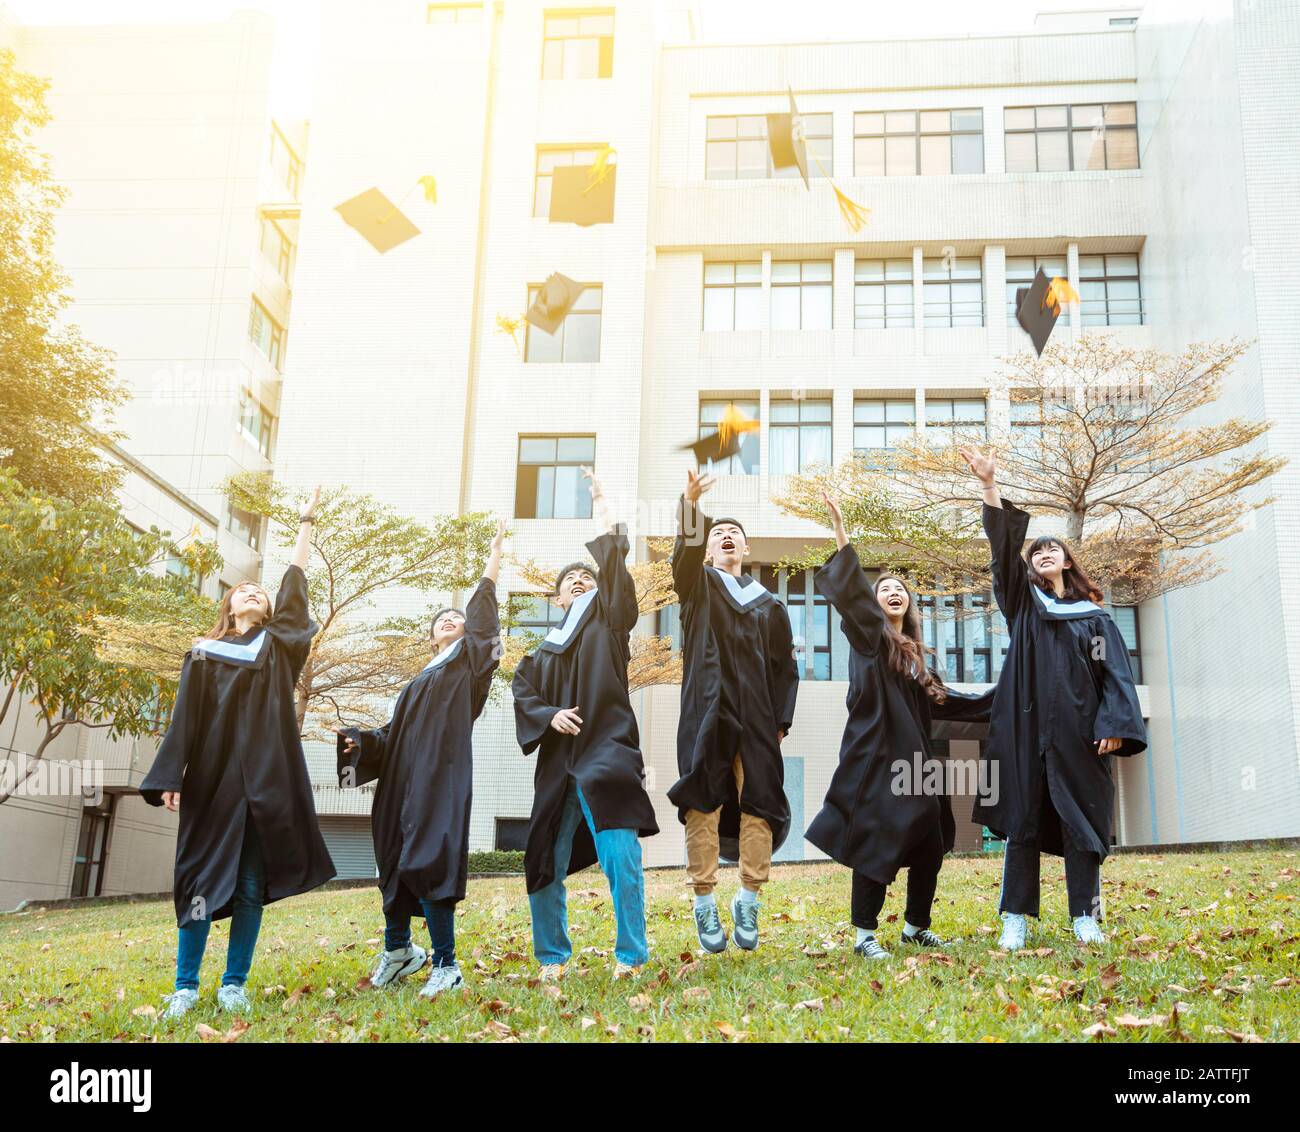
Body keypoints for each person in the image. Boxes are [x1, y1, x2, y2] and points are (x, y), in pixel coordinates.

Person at [142, 487, 336, 1019]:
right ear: (227, 604)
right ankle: (185, 985)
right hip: (213, 780)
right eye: (243, 589)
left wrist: (306, 522)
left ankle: (234, 983)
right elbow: (186, 719)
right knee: (200, 882)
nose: (252, 592)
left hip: (265, 783)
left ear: (269, 608)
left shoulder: (278, 648)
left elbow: (296, 595)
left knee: (250, 885)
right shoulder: (203, 654)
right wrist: (172, 776)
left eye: (260, 591)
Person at [958, 446, 1147, 949]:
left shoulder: (1095, 620)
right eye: (1036, 549)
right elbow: (1003, 552)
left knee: (1081, 822)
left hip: (1079, 734)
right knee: (1020, 822)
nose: (1043, 552)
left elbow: (1115, 676)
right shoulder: (1023, 606)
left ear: (1068, 560)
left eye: (1053, 548)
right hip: (1024, 731)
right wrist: (989, 487)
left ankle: (1085, 915)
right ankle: (1014, 917)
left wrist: (1112, 723)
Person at [807, 492, 993, 960]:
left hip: (915, 761)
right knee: (876, 836)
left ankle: (915, 927)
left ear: (909, 604)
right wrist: (841, 530)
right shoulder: (871, 638)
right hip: (877, 755)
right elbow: (850, 592)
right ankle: (864, 935)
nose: (893, 592)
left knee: (931, 837)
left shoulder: (914, 655)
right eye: (883, 588)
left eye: (900, 589)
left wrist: (1002, 699)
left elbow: (947, 701)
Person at [333, 521, 506, 998]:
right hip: (399, 786)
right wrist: (359, 744)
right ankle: (399, 950)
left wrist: (491, 564)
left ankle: (447, 964)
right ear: (430, 638)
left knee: (430, 860)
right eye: (441, 620)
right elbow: (391, 738)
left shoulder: (470, 666)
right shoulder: (414, 684)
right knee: (392, 861)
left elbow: (485, 623)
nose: (451, 621)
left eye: (459, 618)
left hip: (439, 779)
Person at [511, 469, 658, 980]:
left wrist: (603, 505)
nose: (581, 580)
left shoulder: (608, 620)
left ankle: (632, 955)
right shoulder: (539, 652)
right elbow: (522, 691)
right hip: (557, 760)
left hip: (607, 745)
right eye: (570, 580)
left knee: (619, 848)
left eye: (587, 577)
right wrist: (550, 716)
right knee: (543, 854)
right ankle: (552, 957)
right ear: (556, 599)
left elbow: (615, 567)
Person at [667, 469, 799, 955]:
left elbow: (785, 667)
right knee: (702, 800)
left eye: (735, 535)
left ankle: (748, 897)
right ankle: (704, 900)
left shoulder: (770, 606)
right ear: (708, 548)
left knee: (759, 800)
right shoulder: (697, 588)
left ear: (746, 551)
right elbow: (681, 560)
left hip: (758, 718)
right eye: (719, 533)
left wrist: (780, 721)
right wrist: (691, 504)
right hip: (707, 712)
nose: (727, 538)